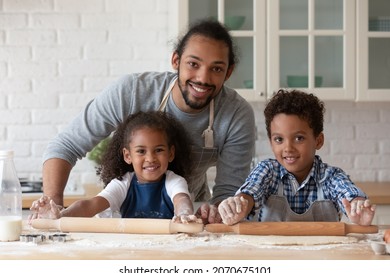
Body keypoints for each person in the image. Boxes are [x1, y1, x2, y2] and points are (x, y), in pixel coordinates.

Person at [41, 19, 256, 224]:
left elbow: (229, 193)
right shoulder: (132, 91)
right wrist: (54, 209)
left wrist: (218, 210)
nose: (203, 78)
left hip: (190, 208)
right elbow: (65, 146)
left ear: (228, 73)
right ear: (176, 61)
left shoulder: (237, 114)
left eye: (216, 69)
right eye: (193, 64)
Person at [218, 89, 376, 226]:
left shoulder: (331, 177)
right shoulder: (267, 171)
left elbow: (348, 192)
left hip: (323, 258)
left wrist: (358, 206)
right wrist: (238, 205)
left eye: (299, 138)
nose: (288, 148)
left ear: (318, 141)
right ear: (271, 143)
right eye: (279, 139)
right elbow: (250, 192)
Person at [30, 111, 199, 223]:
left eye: (159, 150)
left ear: (170, 153)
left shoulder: (174, 181)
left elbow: (181, 200)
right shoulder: (122, 184)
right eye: (141, 151)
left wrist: (184, 214)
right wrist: (60, 215)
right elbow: (90, 205)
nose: (150, 158)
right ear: (128, 156)